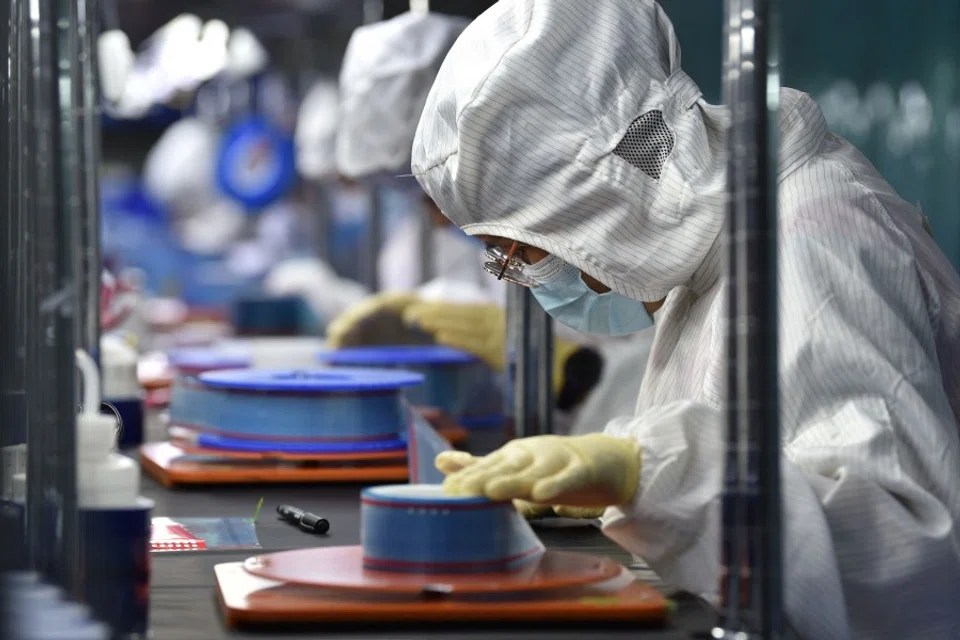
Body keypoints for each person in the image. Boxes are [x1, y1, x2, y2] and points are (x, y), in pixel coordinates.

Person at [410, 1, 960, 638]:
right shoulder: (717, 249)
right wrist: (612, 472)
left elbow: (911, 555)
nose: (533, 276)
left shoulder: (808, 244)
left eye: (524, 251)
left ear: (600, 207)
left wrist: (650, 473)